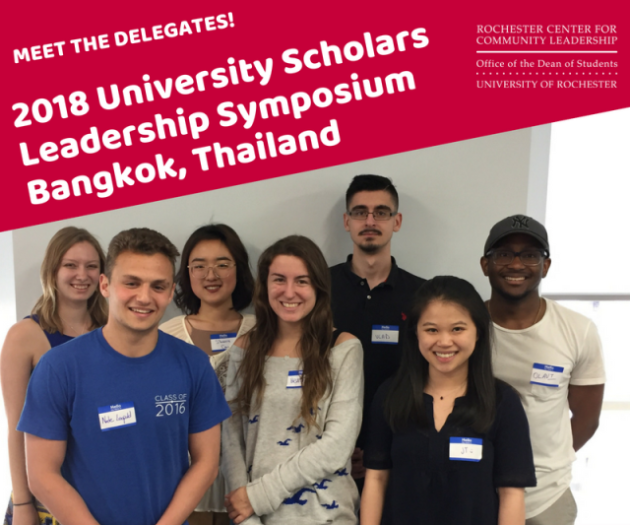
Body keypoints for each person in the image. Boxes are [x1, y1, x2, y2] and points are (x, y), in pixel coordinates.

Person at [18, 228, 231, 525]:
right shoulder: (59, 368)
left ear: (170, 292)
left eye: (158, 286)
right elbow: (42, 475)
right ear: (105, 285)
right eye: (131, 283)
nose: (144, 297)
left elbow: (206, 463)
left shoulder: (193, 364)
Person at [362, 276, 536, 525]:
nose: (444, 341)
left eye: (457, 329)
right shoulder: (390, 395)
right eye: (431, 329)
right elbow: (376, 480)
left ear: (478, 332)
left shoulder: (502, 402)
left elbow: (511, 495)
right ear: (415, 334)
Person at [222, 235, 364, 525]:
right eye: (279, 279)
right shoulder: (243, 350)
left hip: (328, 515)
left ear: (318, 287)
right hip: (255, 516)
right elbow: (230, 439)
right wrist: (246, 513)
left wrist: (259, 495)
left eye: (302, 280)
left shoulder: (343, 348)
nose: (289, 291)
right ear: (265, 285)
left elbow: (337, 446)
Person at [480, 215, 606, 525]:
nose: (516, 264)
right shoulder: (464, 328)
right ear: (486, 264)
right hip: (476, 488)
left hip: (545, 496)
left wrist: (547, 462)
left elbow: (587, 419)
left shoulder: (578, 330)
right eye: (505, 254)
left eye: (530, 255)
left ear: (545, 266)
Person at [1, 226, 108, 525]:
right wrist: (23, 503)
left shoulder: (113, 331)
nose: (82, 275)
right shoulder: (25, 335)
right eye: (70, 265)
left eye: (91, 266)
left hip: (102, 489)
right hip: (44, 494)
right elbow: (17, 428)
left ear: (103, 275)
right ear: (52, 271)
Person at [329, 174, 425, 488]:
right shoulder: (316, 289)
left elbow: (430, 377)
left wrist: (383, 450)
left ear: (396, 222)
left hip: (400, 455)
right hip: (326, 456)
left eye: (381, 212)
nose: (370, 220)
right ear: (347, 221)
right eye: (360, 212)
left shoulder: (423, 295)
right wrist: (338, 449)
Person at [160, 224, 256, 525]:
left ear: (238, 269)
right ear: (186, 273)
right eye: (199, 265)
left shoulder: (262, 332)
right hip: (182, 492)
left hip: (248, 491)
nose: (210, 274)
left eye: (222, 264)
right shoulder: (166, 335)